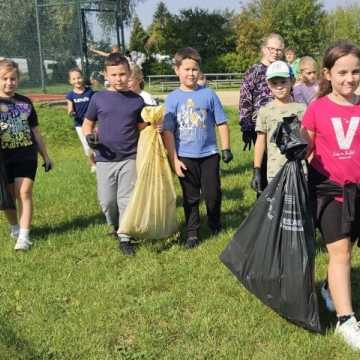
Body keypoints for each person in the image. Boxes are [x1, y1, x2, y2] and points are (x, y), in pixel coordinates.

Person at [301, 41, 360, 349]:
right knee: (340, 253)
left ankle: (328, 288)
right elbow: (305, 148)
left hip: (357, 194)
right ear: (327, 73)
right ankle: (345, 320)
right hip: (328, 192)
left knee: (348, 247)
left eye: (355, 72)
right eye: (342, 73)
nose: (349, 79)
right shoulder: (318, 108)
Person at [162, 47, 233, 249]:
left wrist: (225, 148)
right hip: (185, 156)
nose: (191, 73)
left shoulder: (209, 94)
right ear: (177, 70)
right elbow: (168, 131)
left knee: (213, 194)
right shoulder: (173, 99)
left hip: (209, 154)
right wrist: (173, 159)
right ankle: (192, 232)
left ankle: (214, 223)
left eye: (194, 69)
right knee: (190, 197)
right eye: (186, 69)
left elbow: (221, 122)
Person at [82, 53, 147, 256]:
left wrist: (155, 125)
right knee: (107, 201)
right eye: (114, 74)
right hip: (104, 158)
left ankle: (125, 236)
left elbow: (142, 127)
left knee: (125, 198)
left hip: (129, 156)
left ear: (129, 74)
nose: (119, 78)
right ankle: (115, 226)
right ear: (106, 75)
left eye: (122, 74)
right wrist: (89, 137)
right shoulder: (98, 98)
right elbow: (88, 124)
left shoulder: (136, 101)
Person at [0, 59, 53, 251]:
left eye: (13, 78)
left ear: (18, 79)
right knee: (8, 198)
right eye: (4, 79)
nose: (9, 82)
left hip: (26, 154)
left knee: (24, 192)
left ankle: (24, 238)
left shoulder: (25, 103)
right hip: (3, 158)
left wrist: (45, 155)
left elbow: (36, 132)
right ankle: (15, 227)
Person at [239, 33, 284, 194]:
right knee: (264, 162)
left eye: (279, 49)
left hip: (281, 122)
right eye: (272, 48)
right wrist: (246, 124)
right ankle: (263, 198)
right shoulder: (255, 70)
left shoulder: (284, 70)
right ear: (264, 49)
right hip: (261, 125)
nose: (275, 52)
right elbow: (245, 96)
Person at [251, 60, 306, 192]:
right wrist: (257, 169)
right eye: (274, 83)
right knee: (276, 209)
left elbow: (309, 139)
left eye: (283, 82)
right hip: (275, 171)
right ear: (268, 85)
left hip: (299, 170)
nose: (279, 87)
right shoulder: (265, 111)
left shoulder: (303, 109)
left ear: (292, 81)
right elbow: (260, 141)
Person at [65, 68, 96, 172]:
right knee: (87, 146)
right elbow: (70, 108)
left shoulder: (89, 92)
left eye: (79, 78)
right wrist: (71, 112)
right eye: (74, 79)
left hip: (92, 122)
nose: (77, 80)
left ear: (82, 78)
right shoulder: (70, 95)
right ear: (70, 81)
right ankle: (93, 164)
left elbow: (96, 104)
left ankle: (101, 162)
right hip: (79, 125)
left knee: (97, 142)